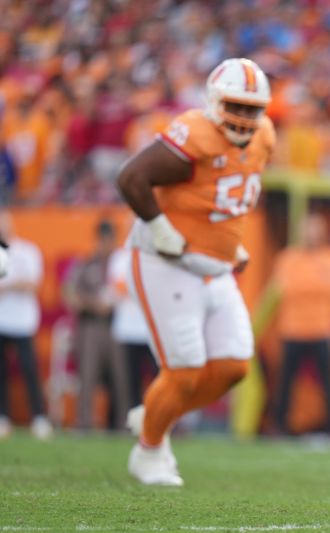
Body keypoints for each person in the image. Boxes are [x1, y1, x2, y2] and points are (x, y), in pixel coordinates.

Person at [117, 57, 276, 486]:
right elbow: (131, 178)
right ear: (214, 101)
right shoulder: (197, 134)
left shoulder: (264, 136)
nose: (244, 117)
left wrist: (230, 237)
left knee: (233, 367)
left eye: (251, 108)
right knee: (183, 371)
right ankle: (149, 451)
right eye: (235, 106)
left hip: (216, 266)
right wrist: (160, 228)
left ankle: (153, 415)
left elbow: (233, 190)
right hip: (167, 261)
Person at [271, 213, 330, 438]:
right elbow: (286, 288)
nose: (311, 234)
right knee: (285, 383)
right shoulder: (287, 257)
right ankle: (280, 427)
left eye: (315, 229)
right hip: (292, 330)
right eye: (307, 229)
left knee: (329, 383)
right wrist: (317, 286)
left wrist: (308, 287)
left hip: (324, 329)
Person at [63, 219, 130, 431]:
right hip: (90, 326)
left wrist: (110, 305)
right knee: (88, 375)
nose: (106, 244)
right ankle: (84, 423)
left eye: (110, 240)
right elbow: (70, 292)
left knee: (122, 378)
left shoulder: (121, 264)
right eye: (103, 240)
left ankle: (122, 425)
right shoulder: (86, 264)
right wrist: (93, 305)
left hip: (117, 326)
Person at [0, 210, 51, 440]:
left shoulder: (27, 250)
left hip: (22, 321)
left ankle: (39, 417)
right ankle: (3, 417)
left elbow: (32, 283)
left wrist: (9, 286)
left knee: (30, 369)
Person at [108, 246, 158, 408]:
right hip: (127, 329)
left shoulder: (156, 256)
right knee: (130, 380)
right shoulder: (120, 258)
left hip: (153, 329)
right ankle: (133, 420)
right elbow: (117, 287)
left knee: (158, 379)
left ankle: (158, 419)